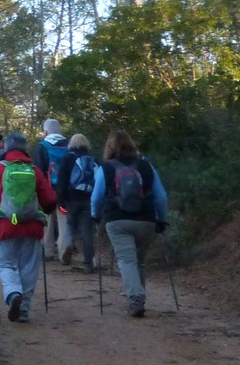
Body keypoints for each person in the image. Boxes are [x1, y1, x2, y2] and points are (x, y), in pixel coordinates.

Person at [0, 131, 55, 322]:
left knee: (6, 264)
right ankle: (24, 308)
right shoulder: (34, 171)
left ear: (6, 148)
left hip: (5, 226)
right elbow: (50, 202)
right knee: (29, 267)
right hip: (32, 227)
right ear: (25, 149)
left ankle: (13, 293)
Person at [92, 129, 169, 317]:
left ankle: (136, 299)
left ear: (110, 146)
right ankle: (138, 298)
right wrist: (162, 219)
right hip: (146, 220)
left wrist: (95, 215)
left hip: (117, 220)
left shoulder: (106, 167)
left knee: (127, 260)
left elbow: (97, 196)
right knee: (139, 261)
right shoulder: (146, 166)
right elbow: (161, 197)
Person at [56, 133, 98, 271]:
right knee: (86, 231)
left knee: (69, 225)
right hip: (88, 199)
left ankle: (68, 245)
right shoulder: (93, 159)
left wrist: (60, 201)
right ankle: (88, 263)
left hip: (71, 199)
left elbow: (62, 181)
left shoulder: (67, 158)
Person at [34, 119, 70, 260]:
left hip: (48, 191)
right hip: (65, 192)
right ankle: (64, 248)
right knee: (64, 219)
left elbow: (39, 170)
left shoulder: (42, 146)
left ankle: (48, 250)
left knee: (47, 220)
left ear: (46, 131)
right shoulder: (68, 145)